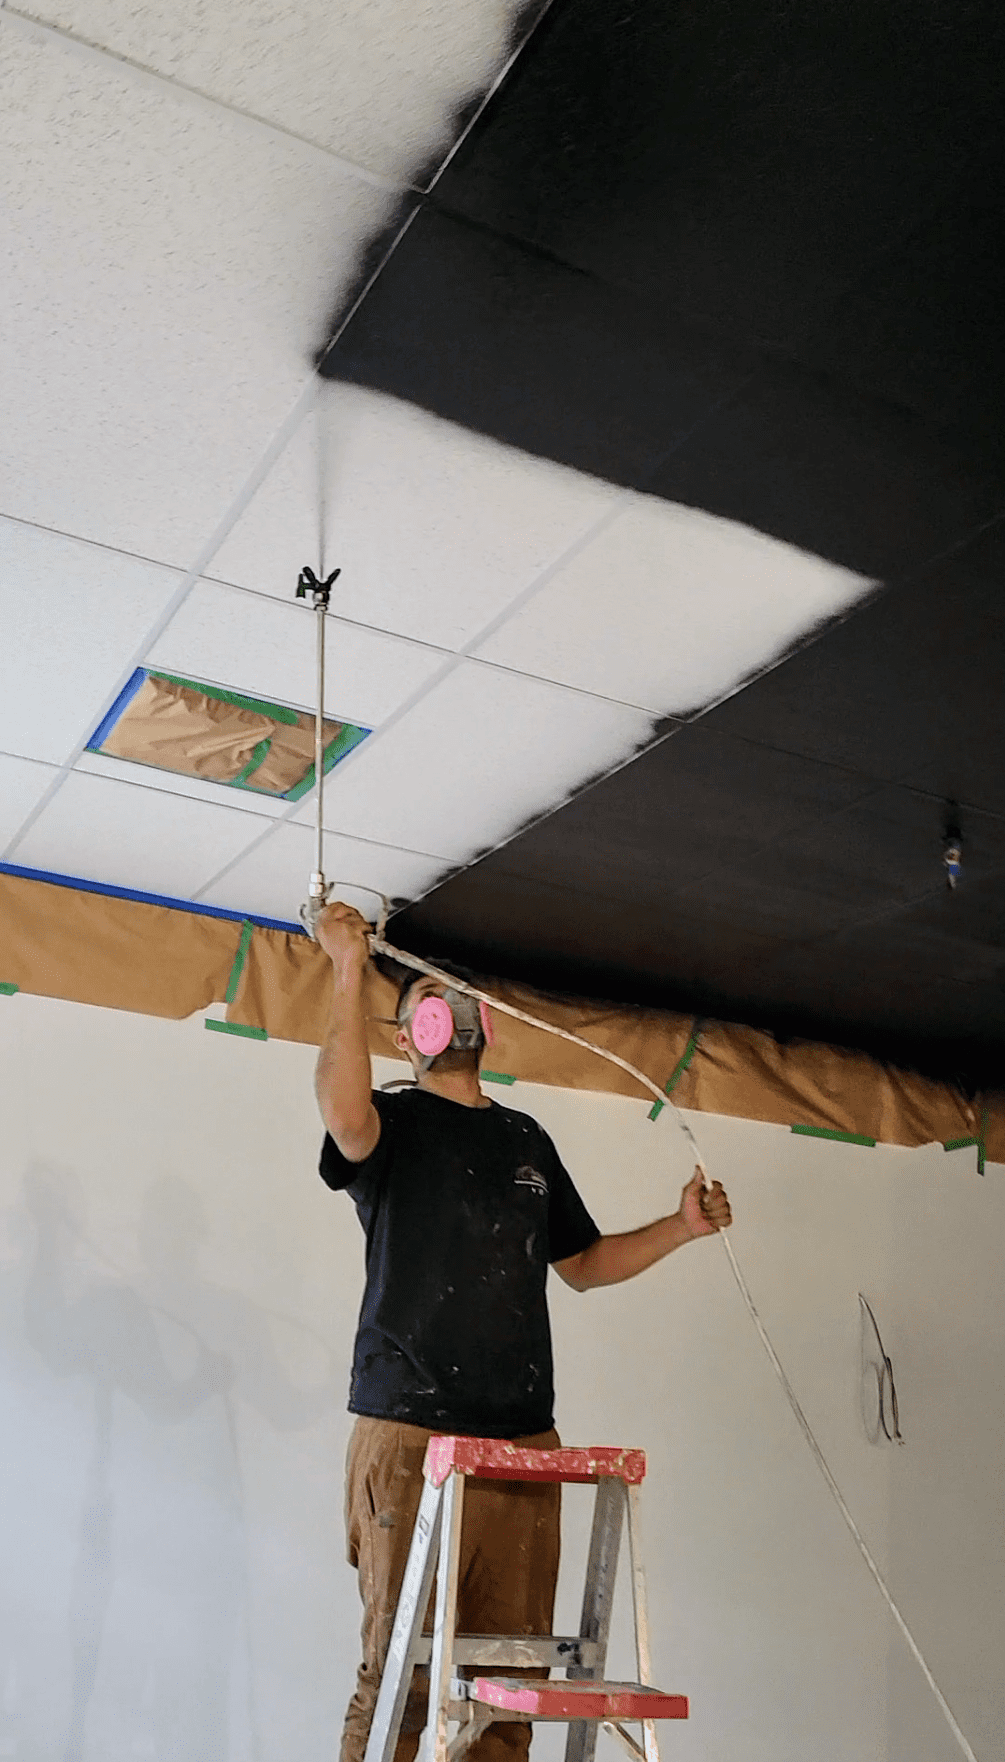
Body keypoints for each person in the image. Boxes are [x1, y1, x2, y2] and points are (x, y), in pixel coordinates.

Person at [313, 902, 732, 1762]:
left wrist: (679, 1228)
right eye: (432, 1001)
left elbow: (581, 1263)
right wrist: (347, 968)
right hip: (409, 1440)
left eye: (459, 998)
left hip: (521, 1447)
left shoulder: (524, 1138)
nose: (453, 1010)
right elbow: (342, 1114)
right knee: (400, 1680)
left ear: (484, 1029)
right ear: (411, 1036)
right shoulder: (392, 1123)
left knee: (508, 1688)